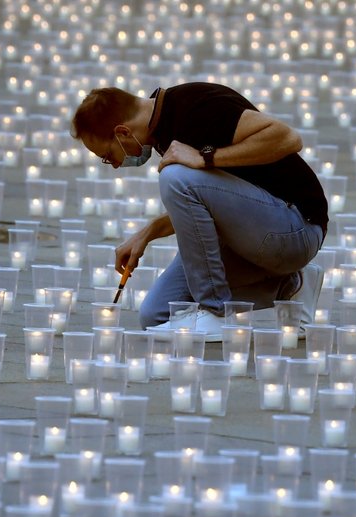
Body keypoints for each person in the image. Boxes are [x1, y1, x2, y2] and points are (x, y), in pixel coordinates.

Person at [70, 83, 328, 342]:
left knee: (174, 177)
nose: (114, 165)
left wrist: (206, 157)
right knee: (156, 315)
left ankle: (215, 311)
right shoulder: (161, 131)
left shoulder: (198, 105)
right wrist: (148, 233)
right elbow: (208, 202)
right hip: (255, 232)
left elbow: (288, 138)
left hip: (296, 228)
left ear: (123, 132)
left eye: (107, 156)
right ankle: (291, 284)